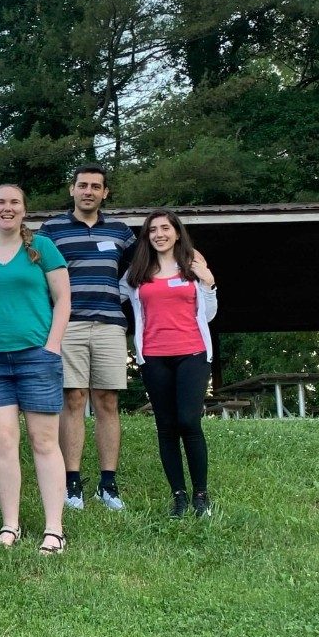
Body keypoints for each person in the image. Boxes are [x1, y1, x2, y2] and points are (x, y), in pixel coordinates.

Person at [0, 184, 72, 554]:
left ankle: (54, 529)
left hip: (36, 358)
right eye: (0, 203)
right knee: (3, 443)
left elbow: (63, 300)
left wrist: (52, 347)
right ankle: (11, 525)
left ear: (24, 210)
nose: (7, 208)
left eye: (14, 203)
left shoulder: (43, 248)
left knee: (44, 442)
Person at [40, 165, 137, 511]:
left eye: (96, 186)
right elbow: (39, 277)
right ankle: (72, 484)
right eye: (83, 185)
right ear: (72, 189)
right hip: (68, 324)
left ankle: (108, 485)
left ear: (105, 193)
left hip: (110, 324)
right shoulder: (51, 230)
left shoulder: (122, 232)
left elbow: (136, 275)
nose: (89, 191)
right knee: (74, 399)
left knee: (108, 400)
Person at [120, 211, 218, 518]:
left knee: (188, 421)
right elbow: (117, 295)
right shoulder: (138, 271)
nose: (159, 234)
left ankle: (201, 495)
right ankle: (179, 497)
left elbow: (210, 313)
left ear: (177, 232)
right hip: (153, 356)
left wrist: (209, 282)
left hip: (192, 352)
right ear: (147, 236)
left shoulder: (192, 266)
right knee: (165, 427)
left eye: (165, 228)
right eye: (152, 230)